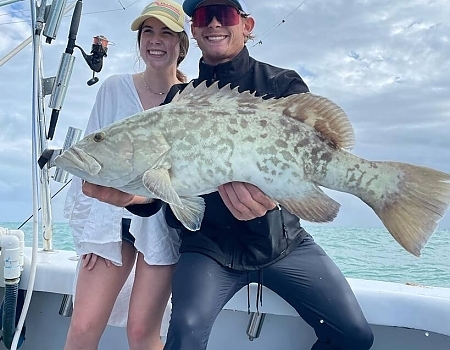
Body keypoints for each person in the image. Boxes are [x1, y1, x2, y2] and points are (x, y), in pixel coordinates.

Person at [83, 0, 375, 349]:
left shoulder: (282, 83)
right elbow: (162, 192)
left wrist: (271, 200)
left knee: (355, 336)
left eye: (227, 14)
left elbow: (315, 153)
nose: (215, 23)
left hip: (283, 245)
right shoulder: (177, 100)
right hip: (209, 251)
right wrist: (133, 198)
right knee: (185, 334)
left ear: (247, 25)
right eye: (204, 16)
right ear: (193, 29)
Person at [63, 1, 189, 350]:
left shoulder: (191, 99)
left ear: (182, 43)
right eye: (147, 31)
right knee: (84, 326)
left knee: (142, 333)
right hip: (109, 221)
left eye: (166, 32)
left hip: (161, 225)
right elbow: (88, 159)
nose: (155, 40)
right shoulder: (114, 88)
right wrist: (86, 234)